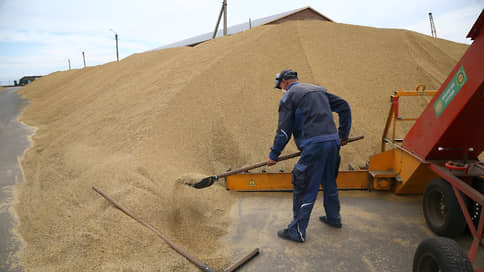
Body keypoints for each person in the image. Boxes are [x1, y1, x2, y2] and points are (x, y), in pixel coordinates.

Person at [267, 69, 351, 243]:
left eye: (280, 86)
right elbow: (344, 106)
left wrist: (274, 154)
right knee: (329, 183)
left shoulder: (289, 96)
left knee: (304, 187)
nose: (281, 89)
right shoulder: (318, 90)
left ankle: (296, 232)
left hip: (315, 147)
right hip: (333, 143)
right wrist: (343, 135)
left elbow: (283, 131)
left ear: (284, 82)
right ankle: (334, 219)